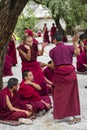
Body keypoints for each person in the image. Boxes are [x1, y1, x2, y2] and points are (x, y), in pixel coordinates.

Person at [49, 32, 80, 123]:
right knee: (71, 94)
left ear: (54, 40)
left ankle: (59, 114)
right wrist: (74, 42)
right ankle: (71, 115)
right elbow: (77, 53)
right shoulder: (69, 47)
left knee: (58, 94)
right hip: (70, 73)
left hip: (59, 74)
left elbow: (54, 66)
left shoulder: (52, 51)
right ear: (62, 39)